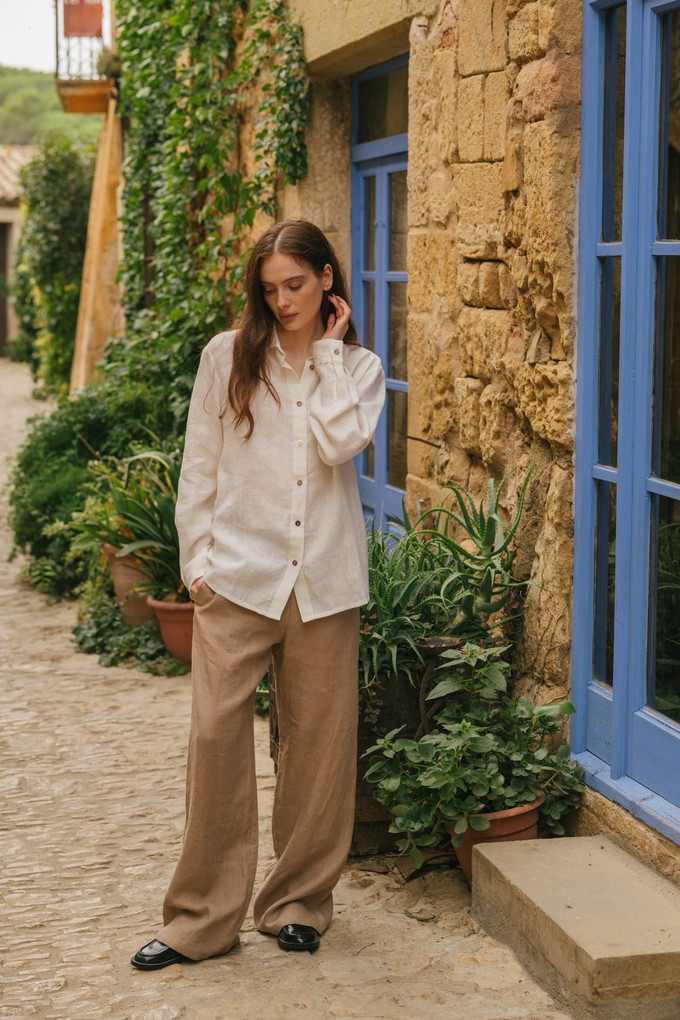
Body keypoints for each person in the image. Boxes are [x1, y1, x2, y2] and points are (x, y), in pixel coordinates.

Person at [131, 219, 386, 969]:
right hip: (237, 578)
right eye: (270, 289)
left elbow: (341, 445)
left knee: (318, 749)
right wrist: (196, 564)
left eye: (296, 285)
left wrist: (332, 354)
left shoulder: (360, 368)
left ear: (326, 281)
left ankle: (298, 904)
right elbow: (199, 464)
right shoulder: (227, 356)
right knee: (214, 739)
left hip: (326, 583)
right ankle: (201, 921)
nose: (281, 301)